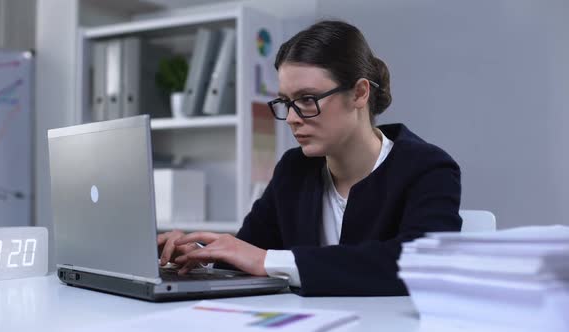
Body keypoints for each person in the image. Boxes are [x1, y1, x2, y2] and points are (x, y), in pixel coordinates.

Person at [157, 20, 462, 296]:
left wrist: (266, 260)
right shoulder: (294, 168)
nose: (291, 118)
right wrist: (200, 256)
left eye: (307, 99)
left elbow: (423, 265)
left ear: (359, 93)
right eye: (286, 102)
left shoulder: (428, 168)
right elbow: (250, 251)